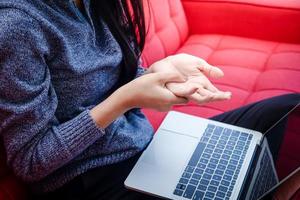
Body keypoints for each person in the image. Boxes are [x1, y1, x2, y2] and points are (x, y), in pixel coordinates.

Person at [0, 0, 298, 199]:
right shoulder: (17, 26)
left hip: (142, 147)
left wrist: (160, 72)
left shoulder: (98, 4)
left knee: (286, 110)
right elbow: (31, 160)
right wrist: (124, 100)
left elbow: (117, 79)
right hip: (91, 181)